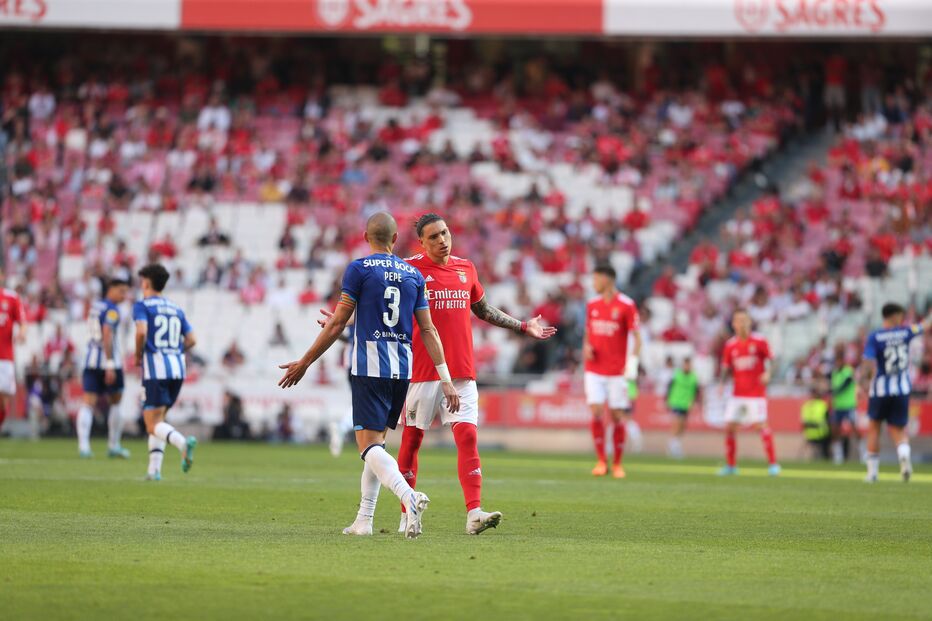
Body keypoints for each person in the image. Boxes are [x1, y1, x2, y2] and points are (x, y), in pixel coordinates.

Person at [278, 212, 460, 539]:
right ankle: (364, 520)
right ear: (395, 240)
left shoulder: (358, 269)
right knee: (377, 446)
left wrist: (305, 361)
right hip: (402, 370)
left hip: (369, 366)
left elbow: (337, 323)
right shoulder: (413, 274)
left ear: (366, 237)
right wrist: (445, 376)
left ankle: (409, 496)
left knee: (367, 447)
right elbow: (428, 329)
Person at [396, 213, 556, 535]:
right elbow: (382, 304)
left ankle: (474, 513)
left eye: (445, 233)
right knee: (412, 441)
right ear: (422, 243)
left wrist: (523, 326)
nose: (442, 240)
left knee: (468, 436)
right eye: (434, 237)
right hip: (422, 372)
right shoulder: (409, 270)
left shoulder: (465, 268)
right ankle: (406, 513)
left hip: (462, 372)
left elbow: (483, 310)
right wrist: (345, 318)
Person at [133, 264, 198, 481]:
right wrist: (174, 351)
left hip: (155, 370)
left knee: (151, 423)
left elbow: (141, 331)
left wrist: (137, 354)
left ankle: (182, 444)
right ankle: (154, 471)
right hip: (177, 369)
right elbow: (192, 340)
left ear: (147, 283)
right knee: (159, 421)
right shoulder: (175, 308)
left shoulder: (142, 306)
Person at [858, 303, 931, 483]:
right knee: (898, 429)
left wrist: (863, 384)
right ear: (893, 315)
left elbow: (868, 362)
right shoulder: (906, 332)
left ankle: (872, 473)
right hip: (902, 389)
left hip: (880, 389)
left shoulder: (875, 336)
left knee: (874, 428)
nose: (902, 318)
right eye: (900, 315)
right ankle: (904, 456)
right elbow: (925, 325)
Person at [583, 264, 641, 479]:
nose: (593, 283)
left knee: (617, 416)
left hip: (617, 371)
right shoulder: (592, 304)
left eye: (596, 279)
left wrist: (632, 365)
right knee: (596, 411)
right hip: (594, 370)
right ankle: (601, 461)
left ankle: (617, 463)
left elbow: (637, 339)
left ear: (607, 279)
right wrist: (587, 348)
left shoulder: (626, 305)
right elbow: (588, 333)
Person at [717, 309, 780, 476]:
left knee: (760, 425)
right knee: (730, 426)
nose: (742, 323)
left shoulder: (759, 341)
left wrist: (768, 373)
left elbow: (773, 361)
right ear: (733, 324)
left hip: (756, 393)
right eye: (738, 320)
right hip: (737, 393)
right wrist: (722, 384)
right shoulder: (730, 345)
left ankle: (773, 464)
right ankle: (731, 466)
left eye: (745, 320)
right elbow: (725, 367)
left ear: (750, 322)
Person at [76, 278, 130, 458]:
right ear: (111, 289)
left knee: (88, 403)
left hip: (90, 359)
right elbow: (107, 333)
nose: (124, 295)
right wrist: (109, 365)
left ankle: (84, 446)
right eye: (121, 291)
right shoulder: (112, 310)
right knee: (116, 401)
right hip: (109, 361)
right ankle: (113, 445)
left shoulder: (95, 306)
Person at [0, 271, 26, 431]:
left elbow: (22, 321)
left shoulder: (11, 297)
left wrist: (22, 333)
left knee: (4, 400)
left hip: (5, 358)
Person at [830, 343, 860, 465]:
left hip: (849, 404)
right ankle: (838, 456)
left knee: (854, 429)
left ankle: (863, 452)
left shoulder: (848, 371)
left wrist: (835, 391)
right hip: (838, 405)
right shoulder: (834, 373)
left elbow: (846, 384)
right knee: (835, 430)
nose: (837, 363)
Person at [667, 357, 700, 459]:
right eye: (685, 365)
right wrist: (667, 399)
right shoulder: (677, 375)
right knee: (677, 423)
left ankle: (676, 443)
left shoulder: (694, 377)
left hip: (686, 404)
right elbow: (669, 387)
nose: (687, 367)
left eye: (688, 365)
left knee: (683, 426)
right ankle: (673, 445)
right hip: (676, 402)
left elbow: (696, 391)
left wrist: (694, 402)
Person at [800, 385, 831, 460]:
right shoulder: (822, 405)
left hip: (809, 434)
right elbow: (828, 419)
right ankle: (827, 457)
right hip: (821, 434)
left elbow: (803, 422)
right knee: (833, 435)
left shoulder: (805, 406)